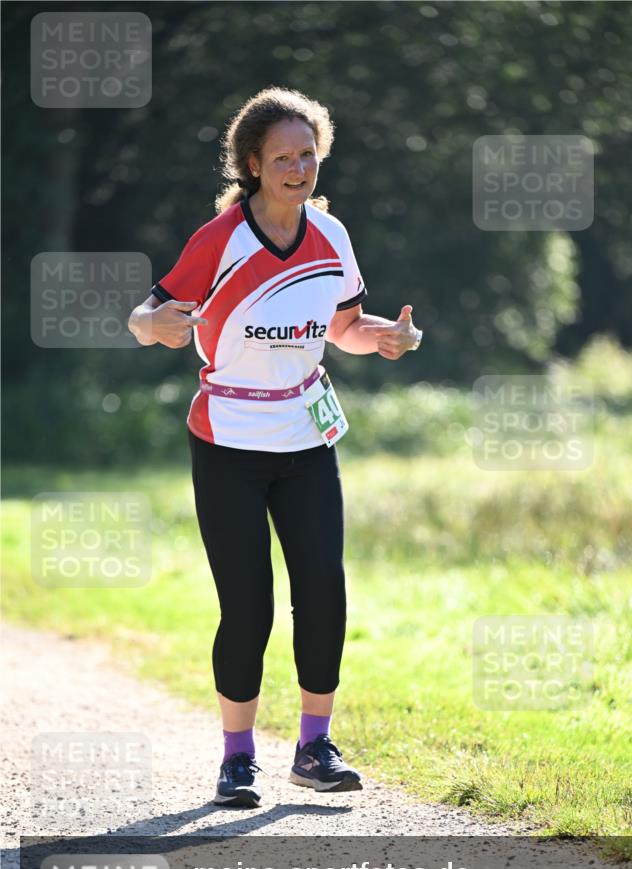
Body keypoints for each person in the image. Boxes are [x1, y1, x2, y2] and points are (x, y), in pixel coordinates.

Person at [128, 87, 422, 808]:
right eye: (282, 157)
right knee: (248, 605)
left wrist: (386, 337)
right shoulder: (220, 239)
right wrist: (153, 326)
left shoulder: (331, 237)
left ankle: (314, 748)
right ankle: (236, 760)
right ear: (253, 164)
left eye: (307, 155)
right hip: (227, 437)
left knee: (323, 587)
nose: (297, 168)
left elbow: (342, 327)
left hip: (303, 435)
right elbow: (148, 311)